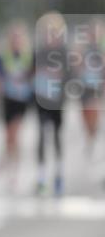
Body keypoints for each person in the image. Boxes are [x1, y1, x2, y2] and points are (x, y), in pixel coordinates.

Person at [0, 22, 34, 190]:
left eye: (18, 37)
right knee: (8, 135)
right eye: (13, 37)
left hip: (21, 100)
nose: (16, 40)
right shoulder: (3, 56)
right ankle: (6, 157)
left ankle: (14, 172)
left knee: (15, 133)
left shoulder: (28, 55)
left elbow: (35, 75)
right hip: (8, 99)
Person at [32, 12, 70, 197]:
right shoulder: (38, 53)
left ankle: (59, 174)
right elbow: (29, 75)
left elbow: (70, 77)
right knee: (40, 135)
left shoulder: (63, 54)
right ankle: (40, 178)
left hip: (57, 101)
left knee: (56, 136)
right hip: (41, 101)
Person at [76, 17, 105, 157]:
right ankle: (90, 136)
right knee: (85, 116)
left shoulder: (102, 49)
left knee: (94, 112)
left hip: (96, 86)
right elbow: (76, 65)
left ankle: (93, 135)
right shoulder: (83, 48)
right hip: (84, 86)